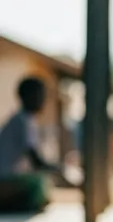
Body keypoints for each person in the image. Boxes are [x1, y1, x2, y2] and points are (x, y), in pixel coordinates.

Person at [0, 76, 68, 213]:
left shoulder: (26, 120)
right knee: (38, 186)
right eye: (40, 95)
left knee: (41, 185)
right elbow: (35, 160)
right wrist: (59, 171)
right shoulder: (23, 121)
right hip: (4, 180)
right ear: (26, 97)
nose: (43, 101)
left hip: (8, 177)